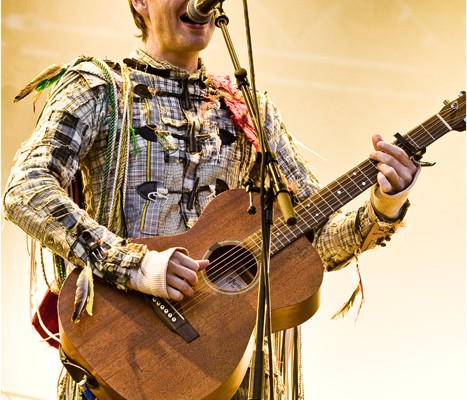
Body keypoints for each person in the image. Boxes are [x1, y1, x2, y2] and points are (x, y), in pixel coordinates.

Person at [2, 0, 419, 399]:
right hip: (123, 360)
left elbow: (312, 243)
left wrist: (384, 204)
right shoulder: (98, 87)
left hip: (228, 371)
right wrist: (135, 264)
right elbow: (25, 187)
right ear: (140, 2)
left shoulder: (249, 109)